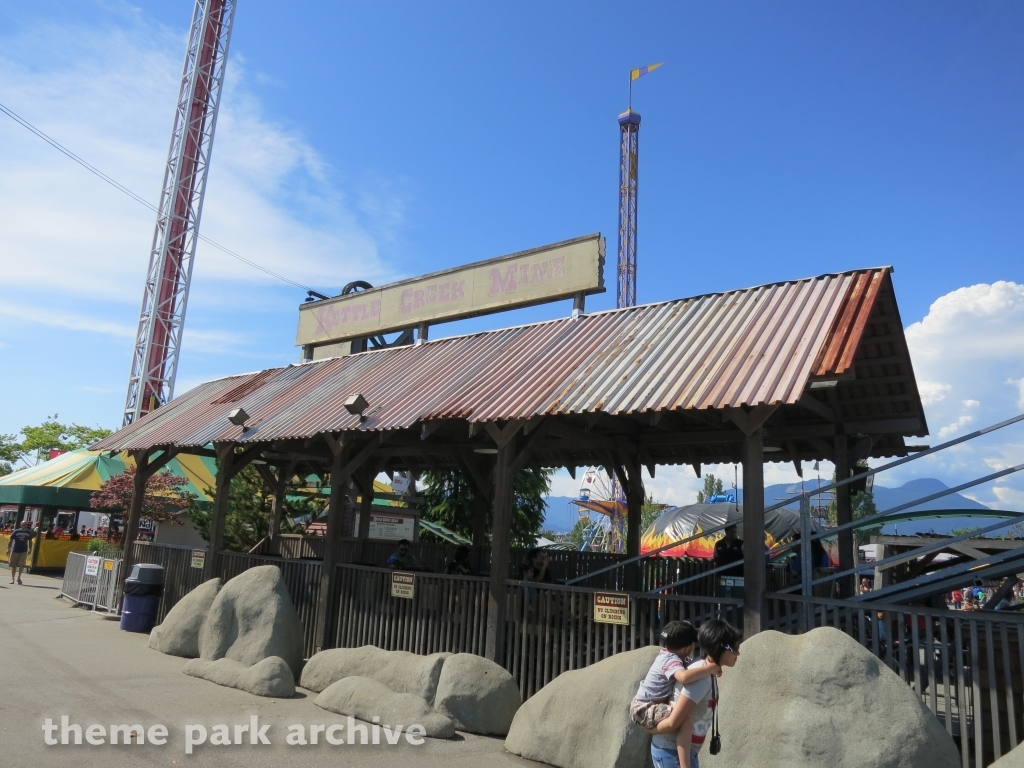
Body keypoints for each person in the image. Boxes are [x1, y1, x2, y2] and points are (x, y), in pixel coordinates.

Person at [649, 619, 742, 768]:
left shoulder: (706, 670)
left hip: (683, 751)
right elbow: (676, 723)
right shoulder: (701, 680)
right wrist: (648, 729)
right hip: (672, 751)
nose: (738, 652)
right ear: (720, 647)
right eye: (735, 647)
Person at [630, 621, 721, 768]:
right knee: (683, 718)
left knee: (682, 717)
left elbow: (693, 667)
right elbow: (684, 677)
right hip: (643, 708)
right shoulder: (669, 659)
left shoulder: (673, 655)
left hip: (648, 706)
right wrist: (711, 668)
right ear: (687, 648)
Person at [7, 521, 35, 585]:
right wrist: (8, 548)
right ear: (20, 524)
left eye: (25, 524)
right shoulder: (16, 531)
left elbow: (30, 541)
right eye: (23, 524)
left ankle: (19, 578)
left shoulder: (29, 532)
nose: (24, 525)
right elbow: (11, 540)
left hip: (24, 550)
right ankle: (12, 579)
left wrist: (30, 549)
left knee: (22, 564)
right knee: (14, 565)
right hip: (15, 549)